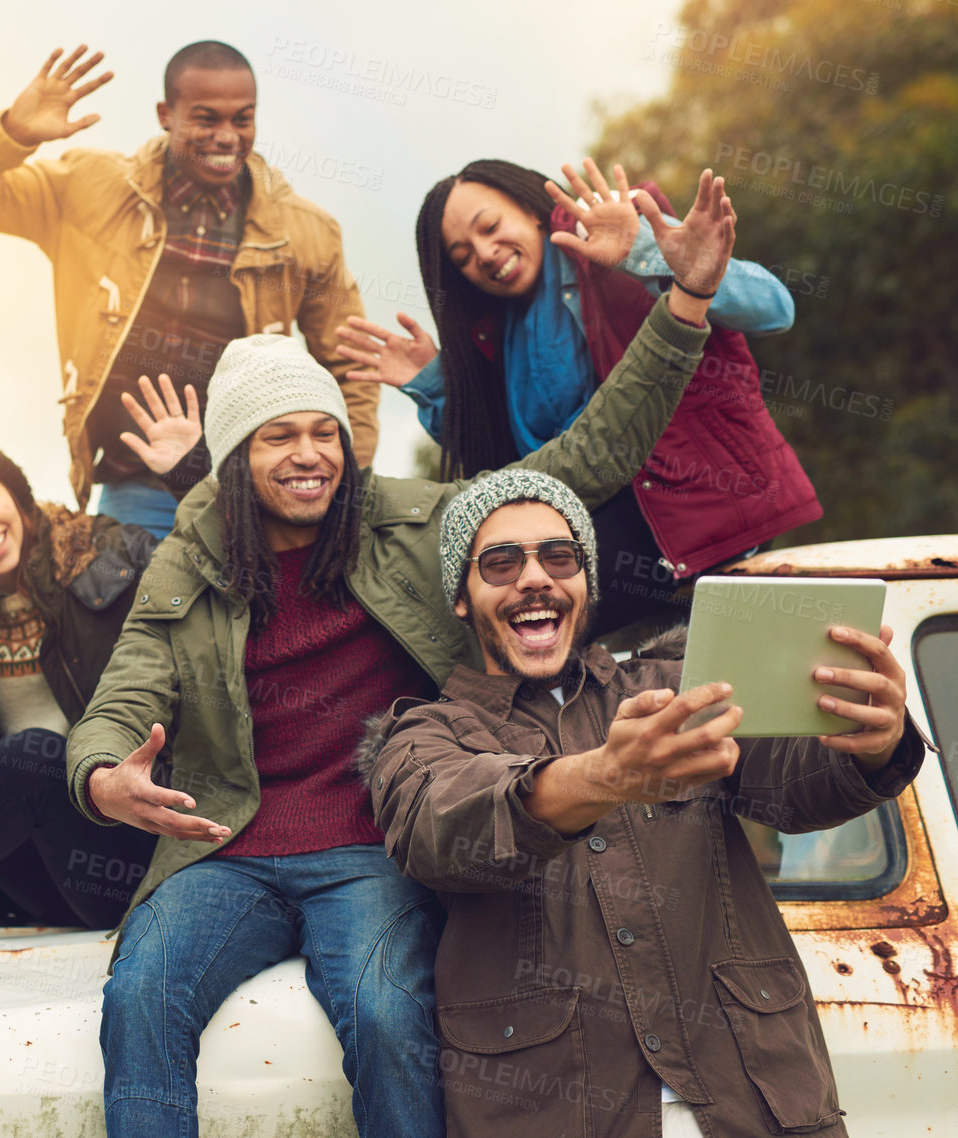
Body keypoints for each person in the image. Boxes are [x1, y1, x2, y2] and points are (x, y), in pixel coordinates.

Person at [64, 183, 731, 1133]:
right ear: (234, 460)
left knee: (385, 1012)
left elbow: (586, 458)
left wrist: (686, 307)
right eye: (278, 437)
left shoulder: (416, 525)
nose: (310, 455)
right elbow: (124, 694)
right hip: (225, 849)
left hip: (368, 845)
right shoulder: (190, 556)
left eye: (324, 432)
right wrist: (100, 775)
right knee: (138, 1001)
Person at [360, 468, 926, 1138]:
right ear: (462, 595)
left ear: (586, 582)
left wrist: (871, 739)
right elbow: (442, 830)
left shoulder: (681, 685)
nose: (534, 578)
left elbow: (797, 784)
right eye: (501, 562)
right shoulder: (422, 734)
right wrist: (606, 776)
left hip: (756, 1107)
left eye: (559, 557)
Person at [336, 158, 819, 635]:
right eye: (462, 256)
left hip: (700, 505)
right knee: (477, 604)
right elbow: (520, 467)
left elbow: (775, 309)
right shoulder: (499, 332)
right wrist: (440, 387)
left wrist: (649, 254)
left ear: (530, 209)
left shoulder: (613, 227)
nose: (483, 253)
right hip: (604, 523)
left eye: (490, 226)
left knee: (495, 612)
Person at [0, 40, 379, 536]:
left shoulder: (308, 232)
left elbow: (353, 367)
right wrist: (10, 133)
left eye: (243, 120)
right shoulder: (86, 187)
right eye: (206, 119)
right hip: (136, 483)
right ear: (166, 113)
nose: (227, 137)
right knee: (138, 613)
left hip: (256, 487)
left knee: (260, 613)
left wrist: (345, 482)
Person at [0, 375, 204, 928]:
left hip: (114, 857)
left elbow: (215, 571)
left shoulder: (107, 556)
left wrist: (191, 475)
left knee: (37, 754)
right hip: (14, 866)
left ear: (13, 494)